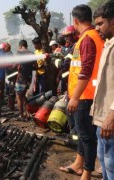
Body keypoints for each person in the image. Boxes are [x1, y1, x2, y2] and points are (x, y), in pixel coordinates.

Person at [59, 4, 104, 180]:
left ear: (75, 20)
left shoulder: (87, 39)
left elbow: (85, 70)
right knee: (82, 133)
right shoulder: (91, 36)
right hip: (85, 95)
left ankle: (86, 173)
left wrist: (75, 97)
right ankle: (78, 164)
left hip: (85, 96)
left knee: (87, 137)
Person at [91, 2, 114, 179]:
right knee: (105, 163)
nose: (97, 27)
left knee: (111, 165)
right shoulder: (108, 44)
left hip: (110, 120)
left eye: (100, 23)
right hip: (102, 118)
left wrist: (111, 117)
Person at [15, 40, 35, 120]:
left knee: (19, 96)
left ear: (20, 45)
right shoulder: (31, 53)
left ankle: (21, 115)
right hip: (28, 78)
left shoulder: (19, 53)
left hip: (21, 78)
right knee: (23, 95)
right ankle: (28, 113)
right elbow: (35, 66)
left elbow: (16, 65)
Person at [0, 42, 16, 111]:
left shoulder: (8, 55)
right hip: (8, 76)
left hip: (11, 76)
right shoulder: (8, 55)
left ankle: (11, 107)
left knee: (11, 91)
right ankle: (9, 105)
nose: (1, 51)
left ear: (5, 49)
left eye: (2, 49)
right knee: (8, 91)